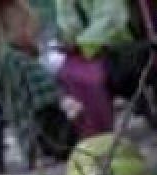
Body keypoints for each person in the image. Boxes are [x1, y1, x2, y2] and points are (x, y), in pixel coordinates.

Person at [0, 0, 78, 159]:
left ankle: (42, 132)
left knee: (15, 64)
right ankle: (53, 110)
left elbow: (31, 48)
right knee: (10, 59)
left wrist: (11, 48)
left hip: (23, 72)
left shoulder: (20, 9)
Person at [55, 0, 136, 136]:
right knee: (65, 74)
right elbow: (67, 26)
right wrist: (67, 40)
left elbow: (110, 20)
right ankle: (85, 130)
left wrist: (81, 43)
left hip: (115, 47)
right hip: (85, 51)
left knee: (89, 78)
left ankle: (101, 128)